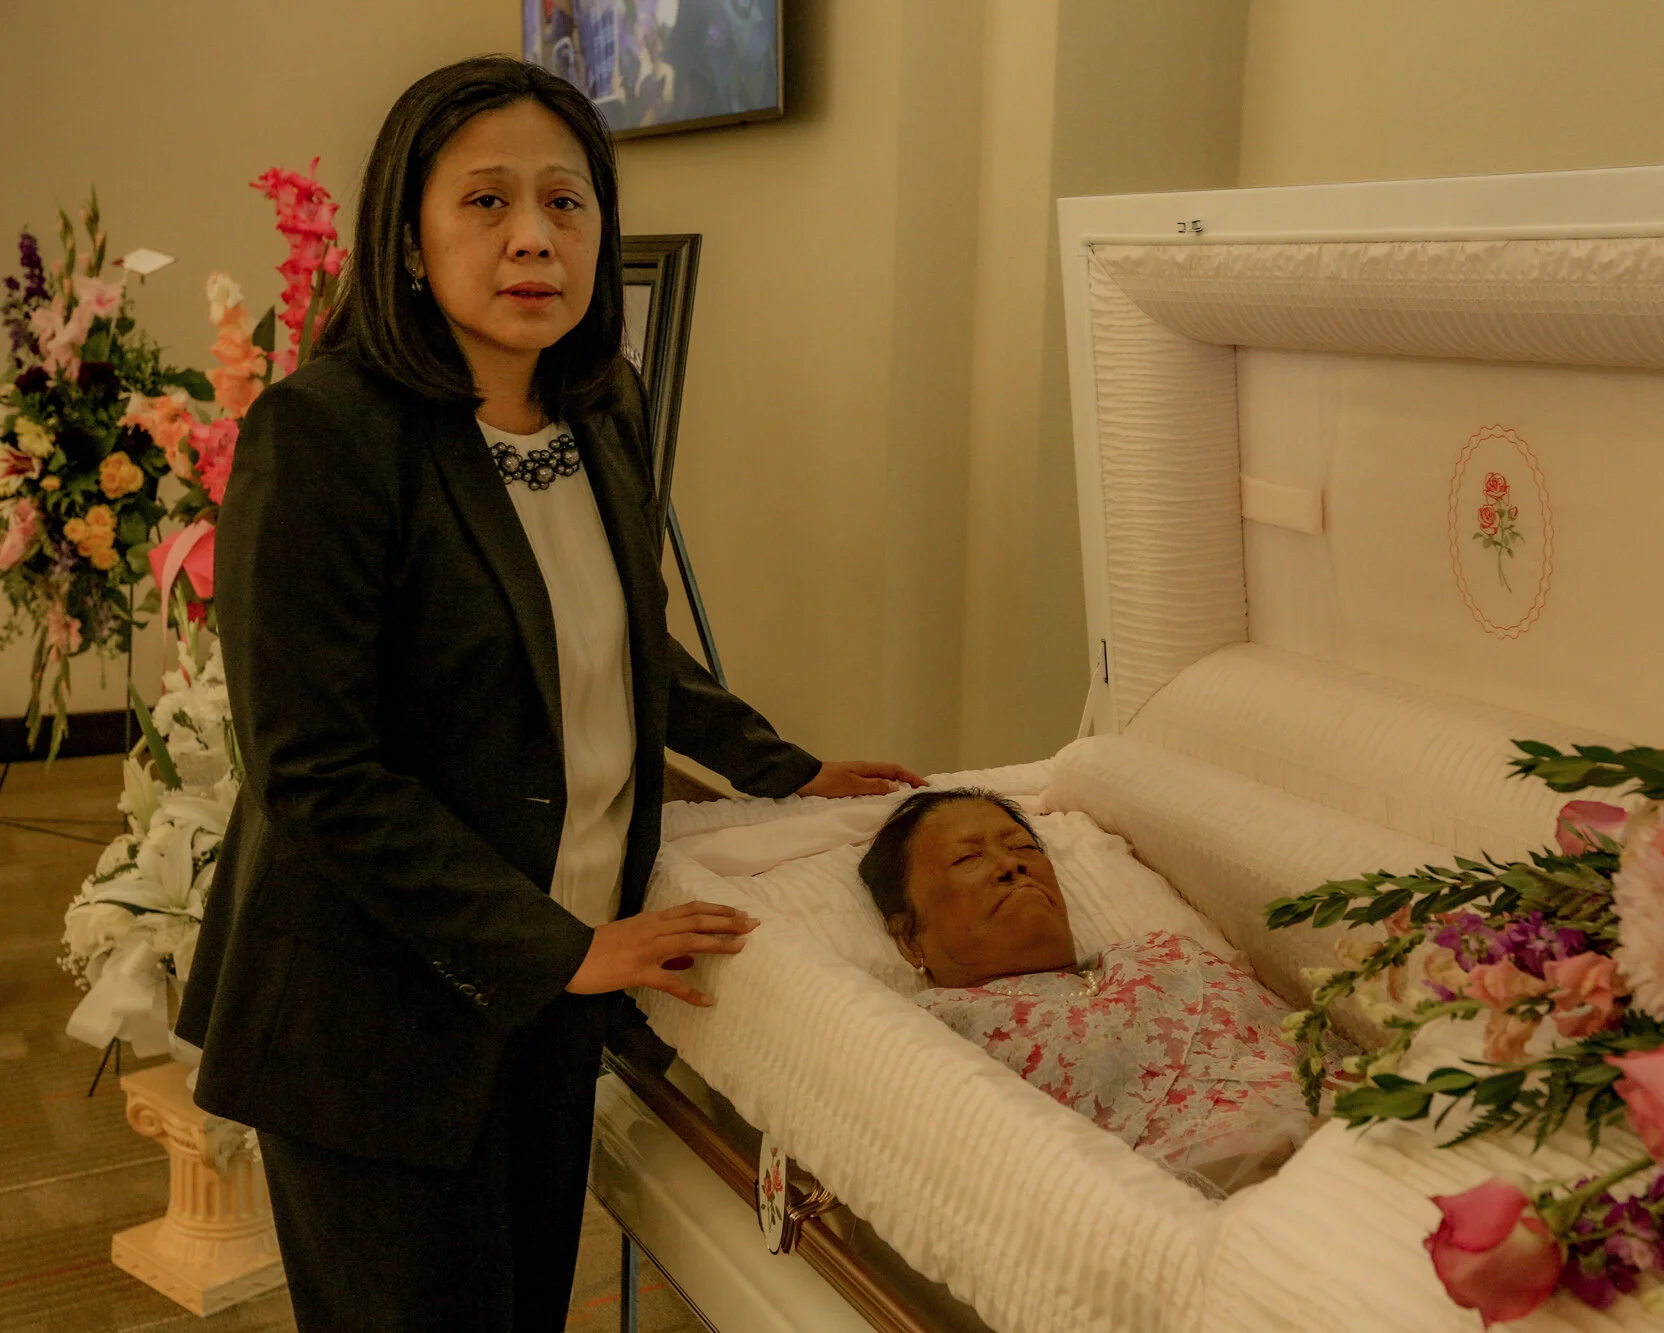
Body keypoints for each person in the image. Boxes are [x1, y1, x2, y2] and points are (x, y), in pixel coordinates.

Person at [174, 56, 922, 1332]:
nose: (534, 237)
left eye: (566, 202)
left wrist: (779, 766)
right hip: (377, 1016)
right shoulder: (326, 433)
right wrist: (558, 947)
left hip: (550, 996)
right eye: (487, 201)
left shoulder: (600, 406)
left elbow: (623, 641)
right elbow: (314, 772)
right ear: (407, 236)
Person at [858, 789, 1313, 1195]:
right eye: (967, 858)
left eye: (1022, 847)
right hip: (1208, 1215)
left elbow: (1315, 1049)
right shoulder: (933, 1030)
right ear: (909, 937)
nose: (1011, 865)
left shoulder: (1167, 952)